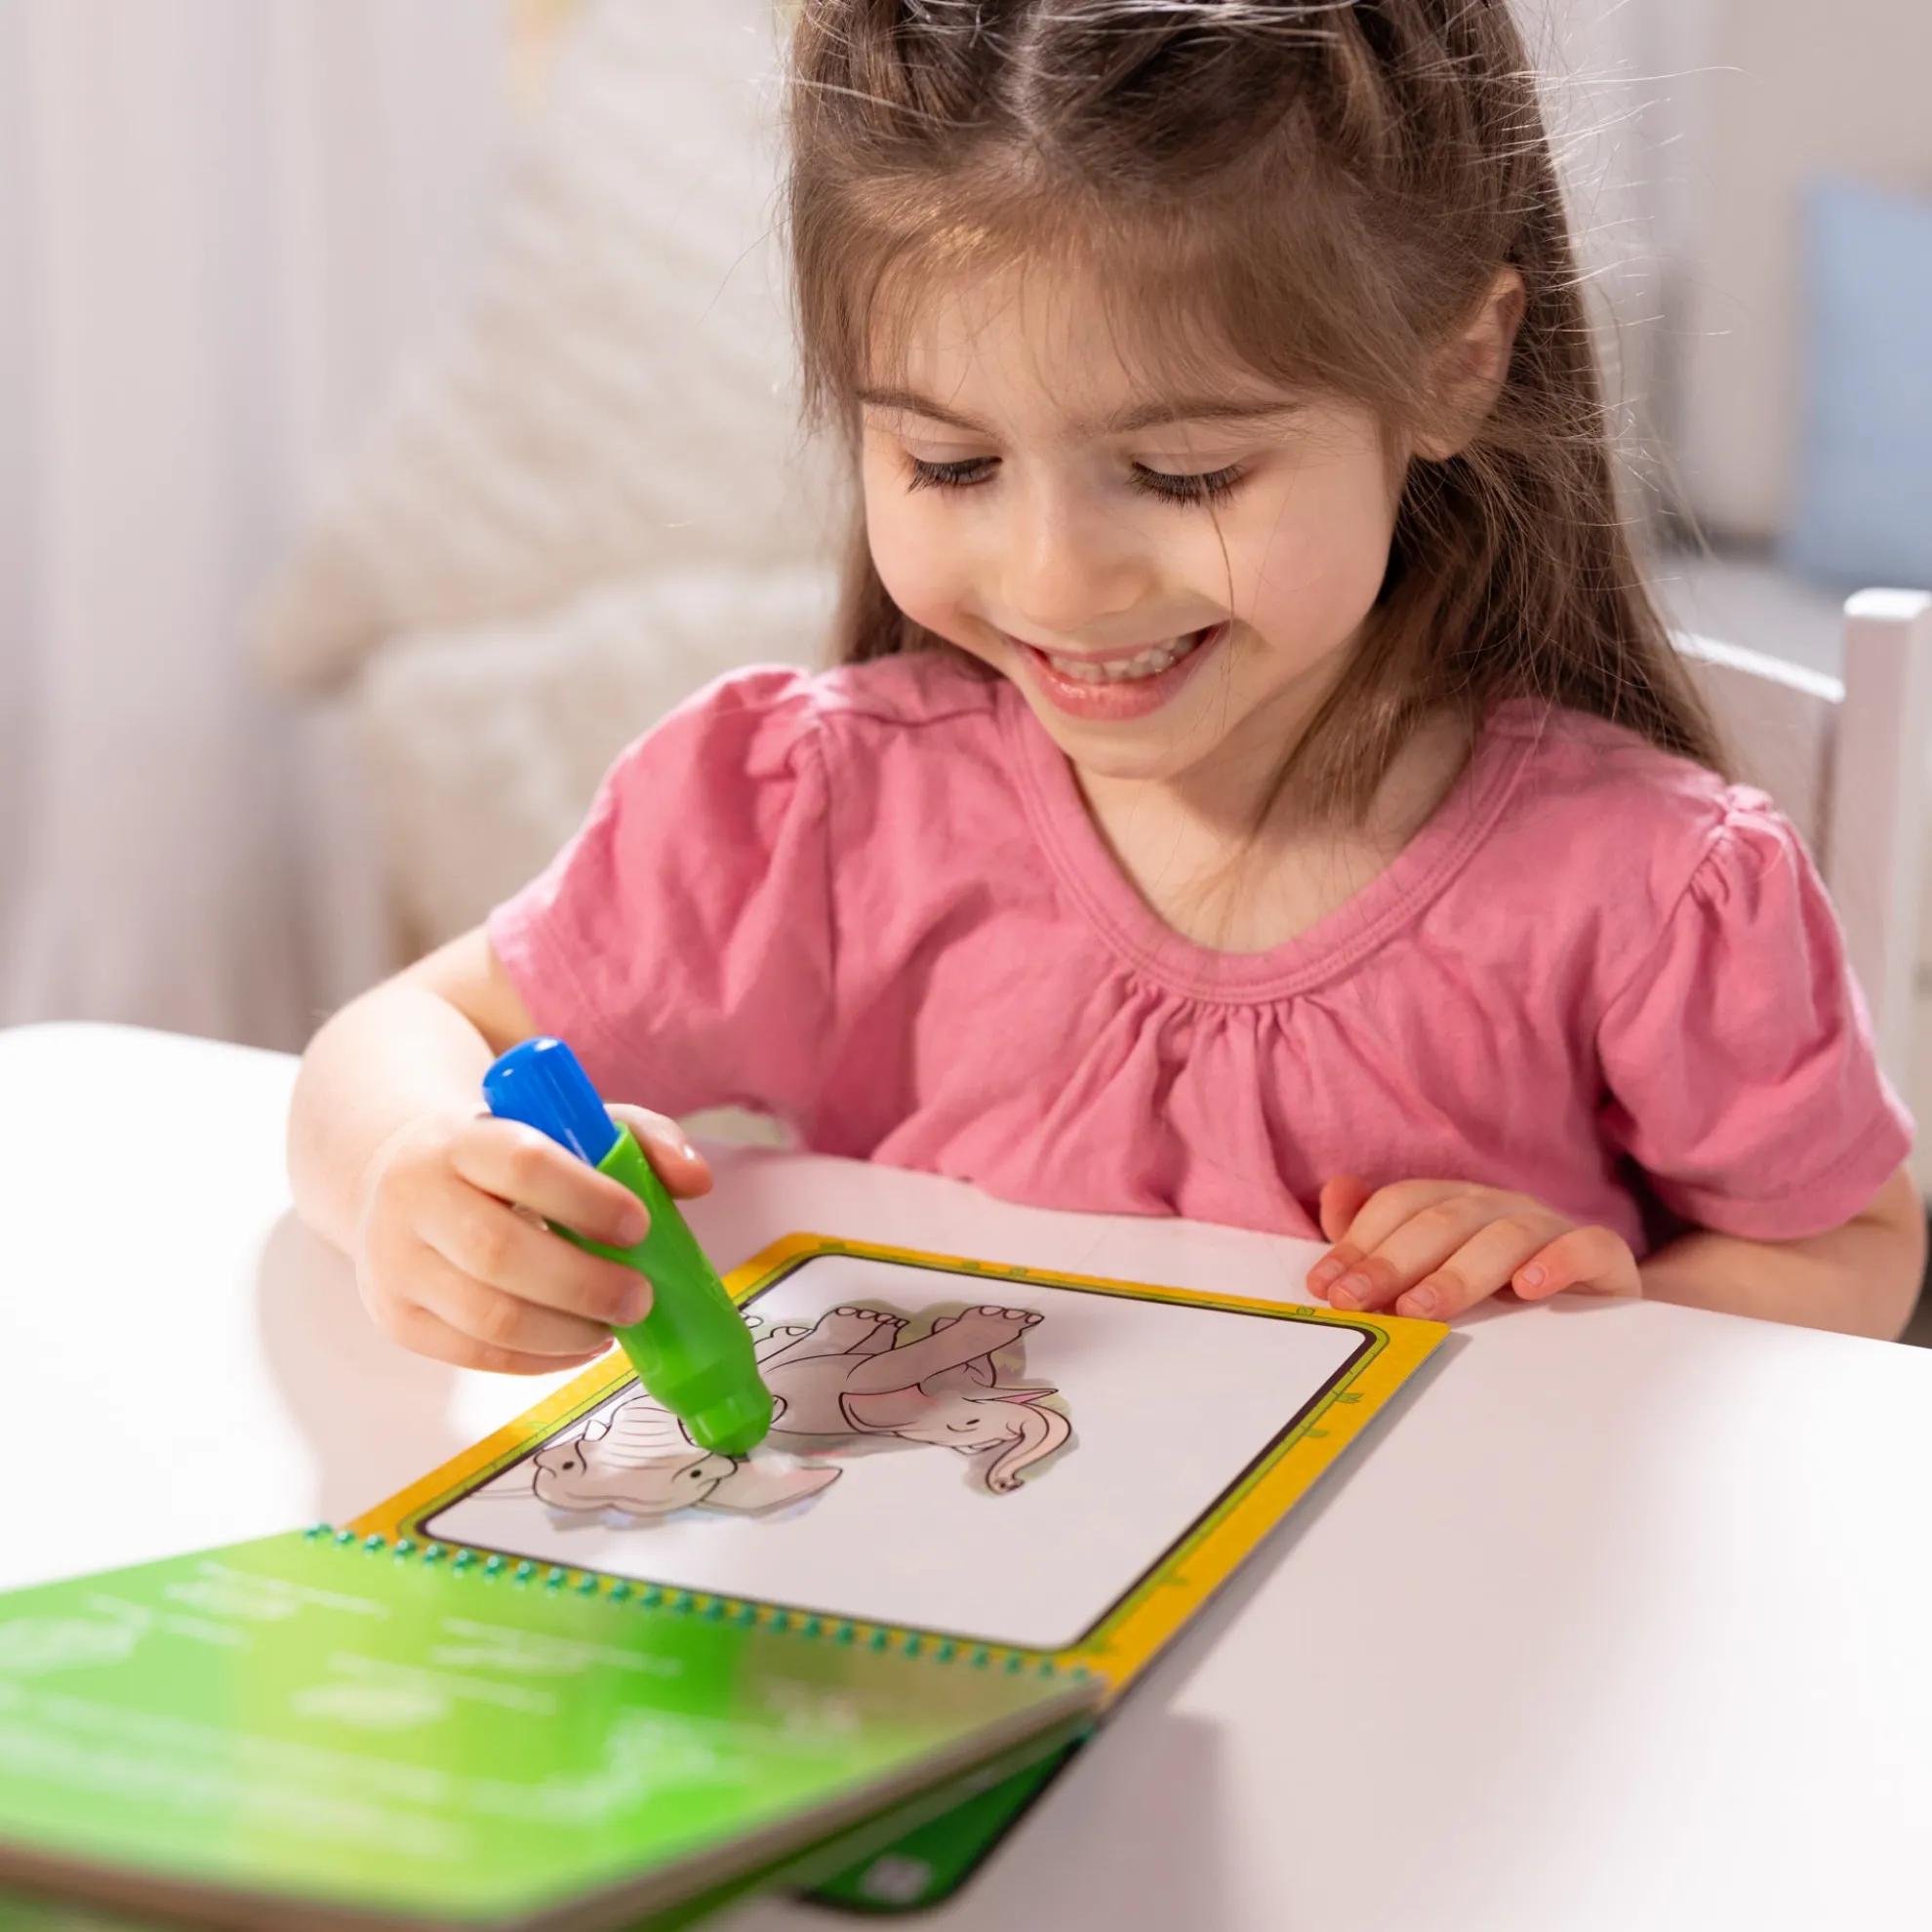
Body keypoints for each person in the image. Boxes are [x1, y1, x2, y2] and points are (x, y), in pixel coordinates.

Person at [288, 0, 1922, 1365]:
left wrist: (1607, 1311)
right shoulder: (810, 821)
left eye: (1187, 473)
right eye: (950, 463)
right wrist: (415, 1175)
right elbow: (411, 1029)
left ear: (1455, 366)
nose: (1058, 580)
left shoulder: (1650, 890)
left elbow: (1852, 1246)